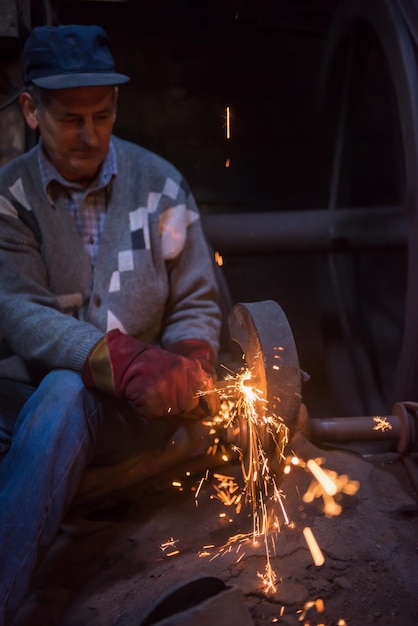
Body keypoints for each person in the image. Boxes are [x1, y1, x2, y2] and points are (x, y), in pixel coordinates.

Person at [0, 24, 221, 624]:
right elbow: (20, 313)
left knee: (77, 391)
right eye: (71, 119)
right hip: (25, 406)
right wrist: (122, 359)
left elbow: (197, 301)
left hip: (132, 416)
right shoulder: (9, 198)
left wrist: (186, 363)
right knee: (65, 386)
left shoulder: (161, 187)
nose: (90, 134)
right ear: (31, 109)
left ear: (116, 105)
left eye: (102, 114)